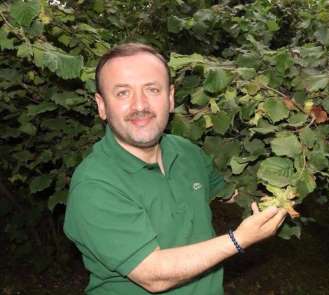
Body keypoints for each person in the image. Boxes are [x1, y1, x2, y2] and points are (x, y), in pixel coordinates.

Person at [64, 42, 287, 295]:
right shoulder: (95, 184)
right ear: (102, 106)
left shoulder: (187, 152)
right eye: (123, 93)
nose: (140, 106)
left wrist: (282, 185)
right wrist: (239, 239)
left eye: (152, 89)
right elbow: (153, 274)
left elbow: (228, 192)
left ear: (170, 98)